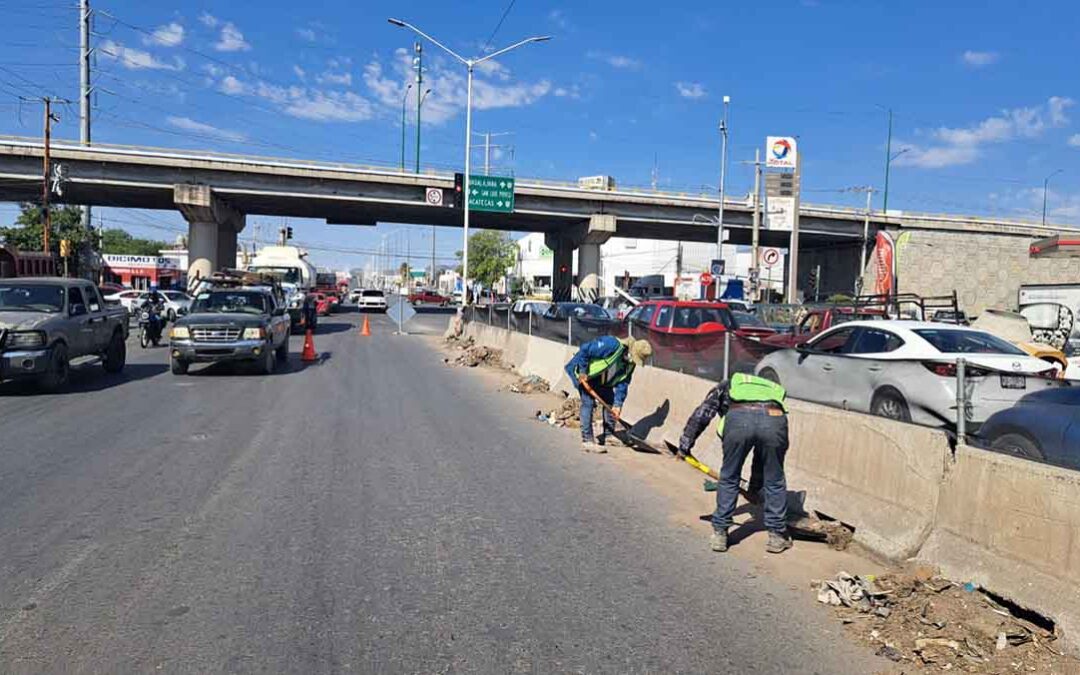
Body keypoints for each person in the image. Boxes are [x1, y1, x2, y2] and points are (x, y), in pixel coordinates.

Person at [677, 373, 792, 554]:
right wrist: (755, 486)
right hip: (774, 418)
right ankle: (777, 537)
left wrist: (685, 444)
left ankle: (720, 534)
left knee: (729, 477)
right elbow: (760, 457)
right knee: (775, 479)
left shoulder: (730, 384)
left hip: (739, 418)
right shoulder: (772, 389)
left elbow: (702, 414)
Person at [564, 336, 653, 454]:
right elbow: (585, 349)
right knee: (588, 403)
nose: (633, 361)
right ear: (630, 350)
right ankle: (587, 440)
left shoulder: (630, 363)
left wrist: (618, 405)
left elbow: (623, 383)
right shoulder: (611, 344)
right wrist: (583, 372)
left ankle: (609, 436)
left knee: (610, 400)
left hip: (601, 378)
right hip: (583, 372)